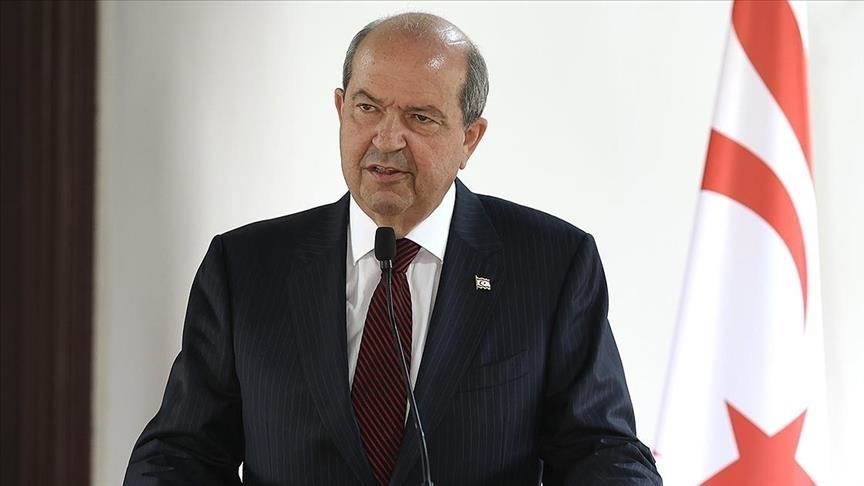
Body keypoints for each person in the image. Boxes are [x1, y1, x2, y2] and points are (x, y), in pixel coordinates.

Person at [124, 12, 662, 486]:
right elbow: (181, 452)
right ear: (340, 109)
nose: (386, 139)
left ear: (469, 138)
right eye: (367, 108)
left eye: (420, 117)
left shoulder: (551, 264)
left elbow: (600, 449)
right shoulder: (245, 267)